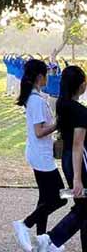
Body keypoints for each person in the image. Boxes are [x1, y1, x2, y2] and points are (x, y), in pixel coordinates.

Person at [12, 59, 67, 252]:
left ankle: (42, 241)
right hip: (41, 156)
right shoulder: (36, 101)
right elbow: (39, 131)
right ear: (39, 77)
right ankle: (25, 224)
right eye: (46, 74)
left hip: (40, 153)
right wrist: (58, 123)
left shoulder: (36, 97)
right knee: (60, 197)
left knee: (45, 199)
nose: (48, 77)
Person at [35, 66, 87, 252]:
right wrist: (77, 179)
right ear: (81, 86)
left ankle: (50, 240)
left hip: (67, 159)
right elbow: (78, 145)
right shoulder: (81, 111)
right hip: (79, 161)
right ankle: (51, 239)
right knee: (84, 206)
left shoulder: (62, 104)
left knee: (83, 206)